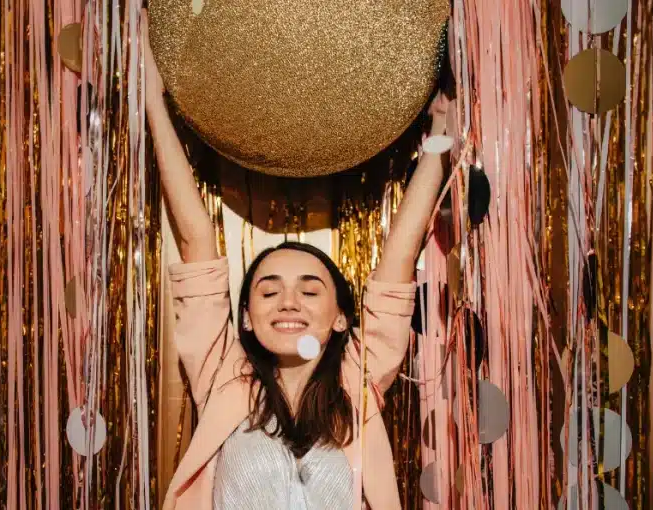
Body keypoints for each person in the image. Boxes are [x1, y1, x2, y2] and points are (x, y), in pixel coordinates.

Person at [142, 12, 452, 510]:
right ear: (246, 317)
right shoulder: (223, 378)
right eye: (267, 290)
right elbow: (197, 238)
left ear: (341, 318)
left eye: (310, 290)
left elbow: (398, 261)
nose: (289, 302)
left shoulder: (358, 383)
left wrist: (440, 138)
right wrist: (154, 103)